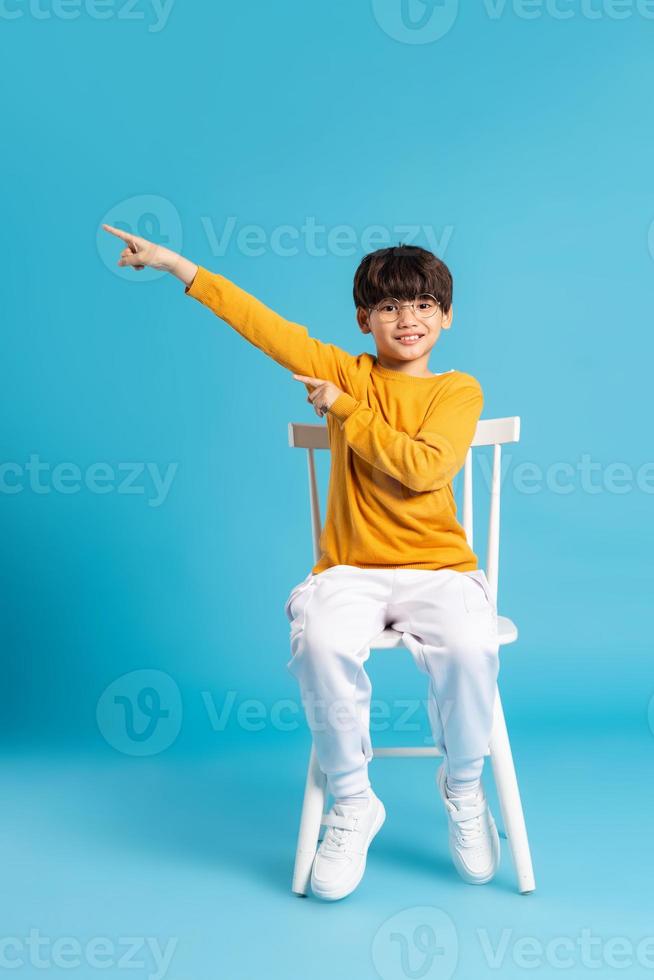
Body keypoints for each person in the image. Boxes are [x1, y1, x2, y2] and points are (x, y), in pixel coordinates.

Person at [102, 225, 501, 902]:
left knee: (470, 644)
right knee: (317, 641)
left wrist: (345, 411)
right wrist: (176, 265)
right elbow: (261, 324)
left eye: (425, 306)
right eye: (390, 307)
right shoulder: (347, 368)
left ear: (447, 316)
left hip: (440, 570)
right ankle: (351, 800)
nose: (408, 319)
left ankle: (463, 786)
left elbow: (424, 468)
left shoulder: (456, 392)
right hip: (350, 570)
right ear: (364, 319)